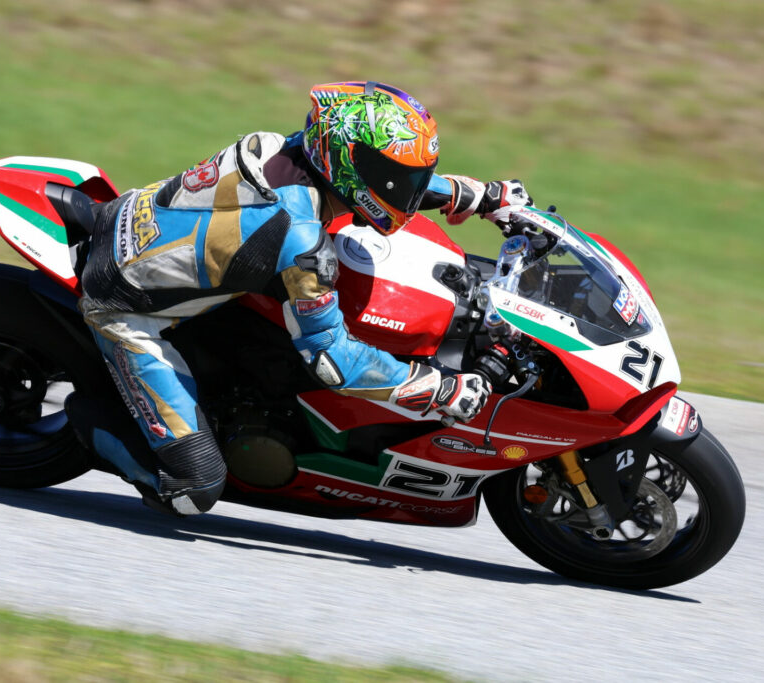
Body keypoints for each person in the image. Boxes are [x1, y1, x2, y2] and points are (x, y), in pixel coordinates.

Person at [67, 81, 533, 516]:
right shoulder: (297, 236)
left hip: (147, 224)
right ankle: (91, 424)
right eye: (398, 178)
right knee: (194, 491)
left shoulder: (294, 149)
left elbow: (381, 184)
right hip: (124, 304)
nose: (406, 190)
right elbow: (334, 362)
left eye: (411, 178)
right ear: (352, 165)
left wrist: (479, 196)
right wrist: (440, 390)